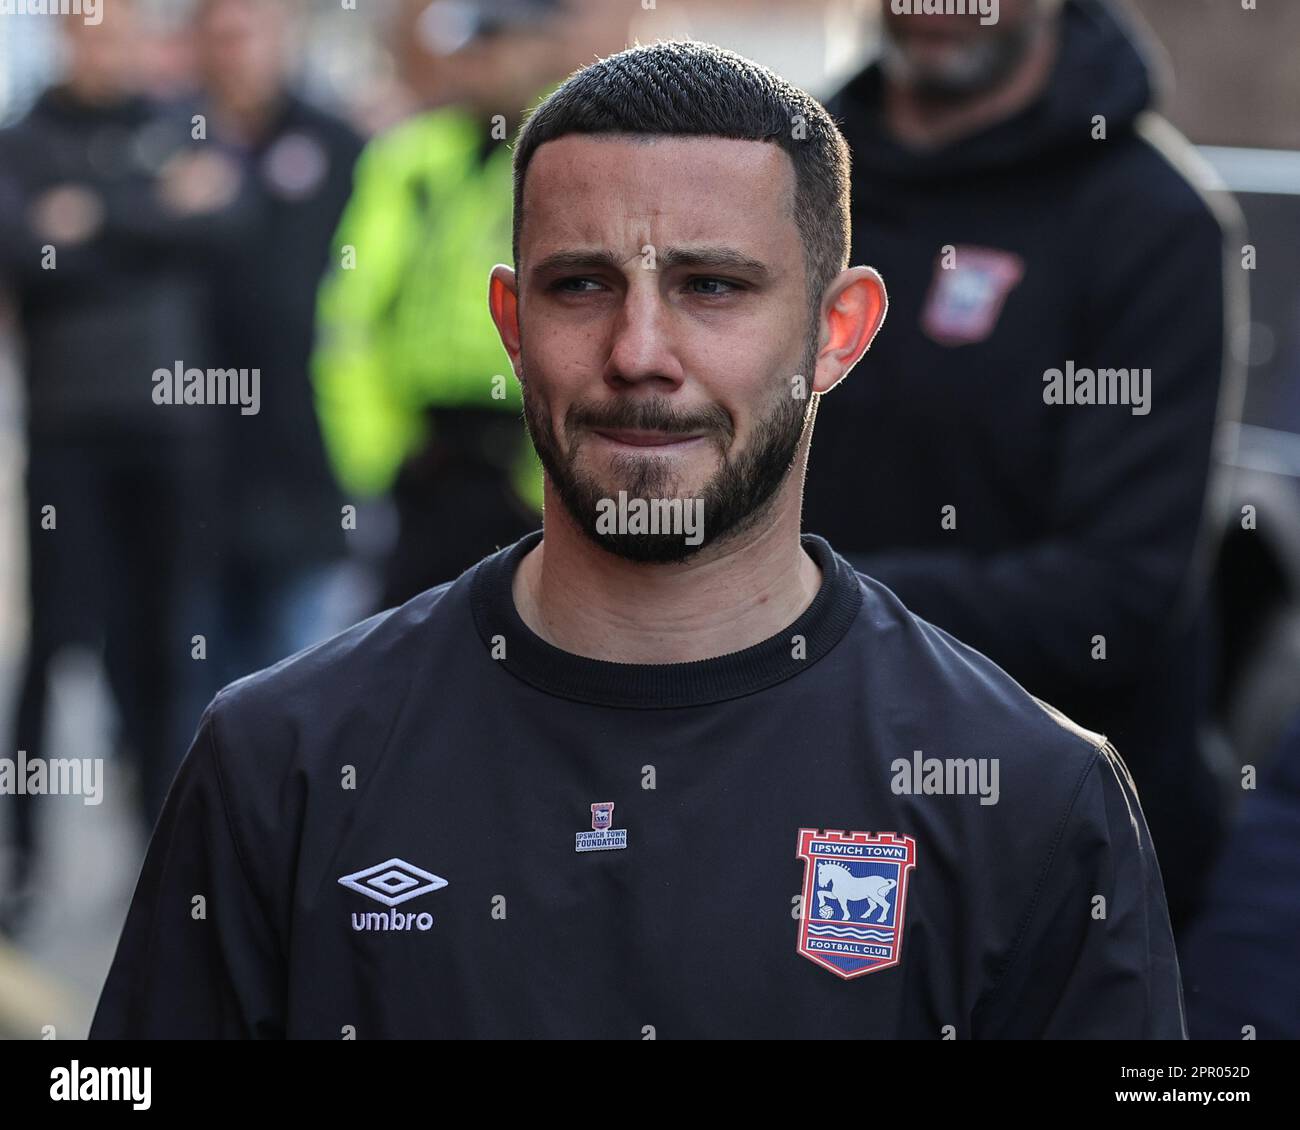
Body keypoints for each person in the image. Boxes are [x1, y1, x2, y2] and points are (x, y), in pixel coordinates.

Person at [90, 40, 1184, 1039]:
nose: (640, 351)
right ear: (513, 325)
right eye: (582, 286)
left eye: (712, 286)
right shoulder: (279, 760)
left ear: (837, 331)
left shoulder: (1033, 796)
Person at [801, 0, 1245, 932]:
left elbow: (1120, 595)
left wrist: (797, 608)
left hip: (1044, 842)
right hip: (795, 779)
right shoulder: (790, 180)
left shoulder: (1150, 218)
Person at [0, 1, 249, 930]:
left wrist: (93, 219)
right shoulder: (22, 137)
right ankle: (23, 856)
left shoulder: (174, 120)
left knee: (161, 645)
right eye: (87, 27)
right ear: (64, 36)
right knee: (58, 645)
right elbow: (26, 250)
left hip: (174, 437)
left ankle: (162, 852)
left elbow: (225, 223)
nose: (103, 45)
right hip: (71, 435)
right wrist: (146, 216)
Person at [311, 0, 573, 607]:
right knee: (407, 659)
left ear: (544, 43)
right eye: (471, 45)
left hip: (536, 454)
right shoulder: (410, 159)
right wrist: (380, 458)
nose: (478, 61)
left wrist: (551, 476)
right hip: (427, 459)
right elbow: (351, 318)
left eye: (497, 41)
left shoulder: (584, 157)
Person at [189, 0, 365, 690]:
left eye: (250, 33)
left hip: (308, 458)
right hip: (196, 463)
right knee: (201, 692)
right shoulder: (171, 142)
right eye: (222, 36)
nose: (237, 53)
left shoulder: (337, 144)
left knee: (301, 686)